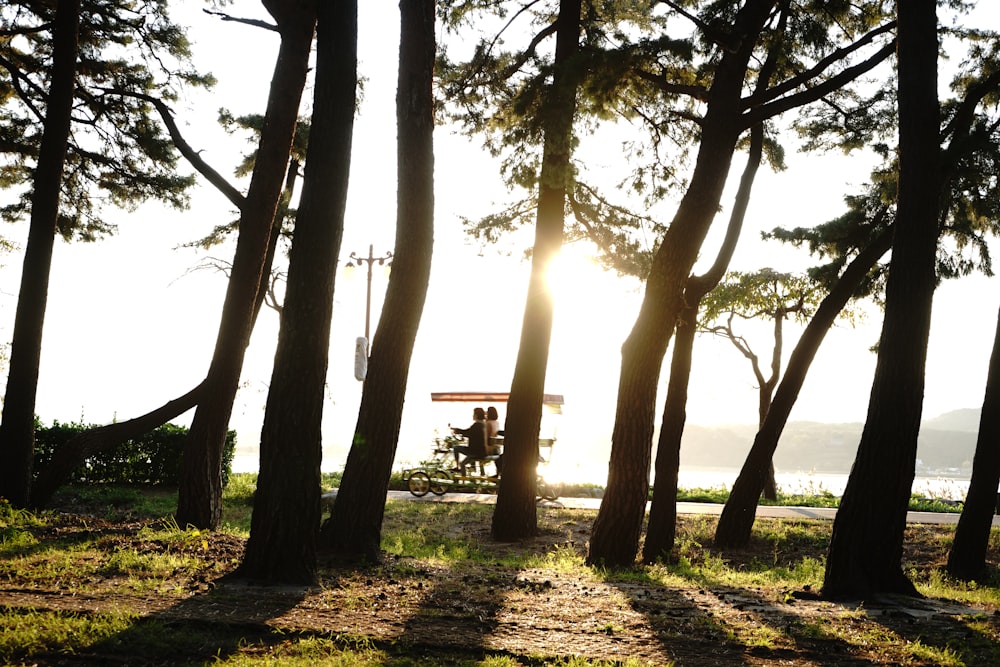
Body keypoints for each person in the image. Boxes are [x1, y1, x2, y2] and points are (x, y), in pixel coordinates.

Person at [451, 407, 488, 474]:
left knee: (456, 448)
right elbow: (469, 432)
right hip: (482, 451)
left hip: (474, 451)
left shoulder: (476, 425)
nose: (472, 415)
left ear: (476, 415)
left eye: (473, 414)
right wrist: (459, 431)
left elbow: (468, 433)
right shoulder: (483, 424)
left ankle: (458, 467)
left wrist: (457, 431)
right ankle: (474, 469)